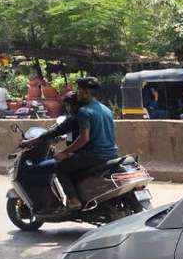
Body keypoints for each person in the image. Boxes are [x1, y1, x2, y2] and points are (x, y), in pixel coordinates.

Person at [26, 77, 117, 210]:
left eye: (79, 90)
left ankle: (73, 200)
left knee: (60, 166)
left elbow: (83, 139)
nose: (78, 93)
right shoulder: (106, 109)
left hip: (93, 156)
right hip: (112, 154)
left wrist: (64, 153)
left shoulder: (84, 112)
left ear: (86, 92)